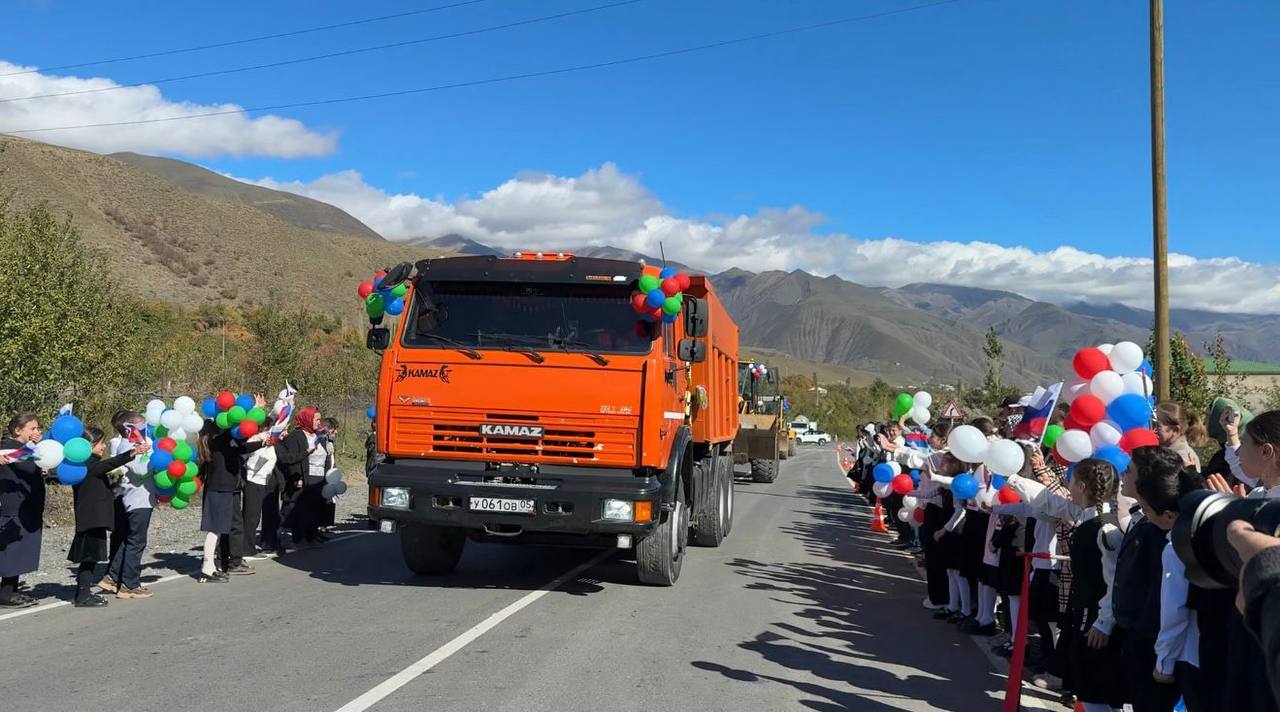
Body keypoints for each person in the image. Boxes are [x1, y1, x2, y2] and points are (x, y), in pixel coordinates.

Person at [1130, 446, 1212, 711]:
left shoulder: (1175, 547)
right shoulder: (1208, 534)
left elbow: (1174, 611)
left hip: (1187, 656)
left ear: (1167, 515)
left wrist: (1163, 664)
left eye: (1145, 508)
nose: (1144, 514)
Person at [67, 427, 146, 607]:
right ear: (90, 444)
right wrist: (131, 453)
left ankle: (83, 593)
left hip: (92, 519)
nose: (103, 446)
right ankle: (83, 596)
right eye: (101, 442)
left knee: (90, 558)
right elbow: (108, 465)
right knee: (89, 558)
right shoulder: (88, 465)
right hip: (92, 519)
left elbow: (113, 479)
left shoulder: (89, 465)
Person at [196, 421, 267, 582]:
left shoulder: (219, 442)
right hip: (219, 489)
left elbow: (241, 448)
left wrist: (261, 443)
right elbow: (236, 440)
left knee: (217, 529)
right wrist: (253, 413)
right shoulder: (217, 441)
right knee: (214, 529)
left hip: (223, 488)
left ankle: (210, 567)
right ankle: (207, 569)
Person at [102, 411, 156, 599]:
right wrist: (153, 457)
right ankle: (129, 584)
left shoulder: (133, 444)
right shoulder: (128, 445)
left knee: (127, 540)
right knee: (136, 542)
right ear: (129, 428)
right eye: (141, 425)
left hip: (136, 497)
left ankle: (113, 576)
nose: (144, 428)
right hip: (137, 499)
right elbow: (141, 470)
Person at [0, 413, 45, 608]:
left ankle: (12, 590)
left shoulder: (22, 448)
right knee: (13, 549)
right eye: (32, 429)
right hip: (15, 505)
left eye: (37, 428)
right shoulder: (9, 448)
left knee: (21, 548)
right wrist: (34, 447)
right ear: (18, 430)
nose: (36, 432)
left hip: (27, 504)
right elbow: (27, 467)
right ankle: (6, 593)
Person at [1154, 402, 1206, 473]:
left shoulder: (1183, 458)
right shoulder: (1167, 451)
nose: (1153, 430)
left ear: (1175, 430)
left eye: (1158, 426)